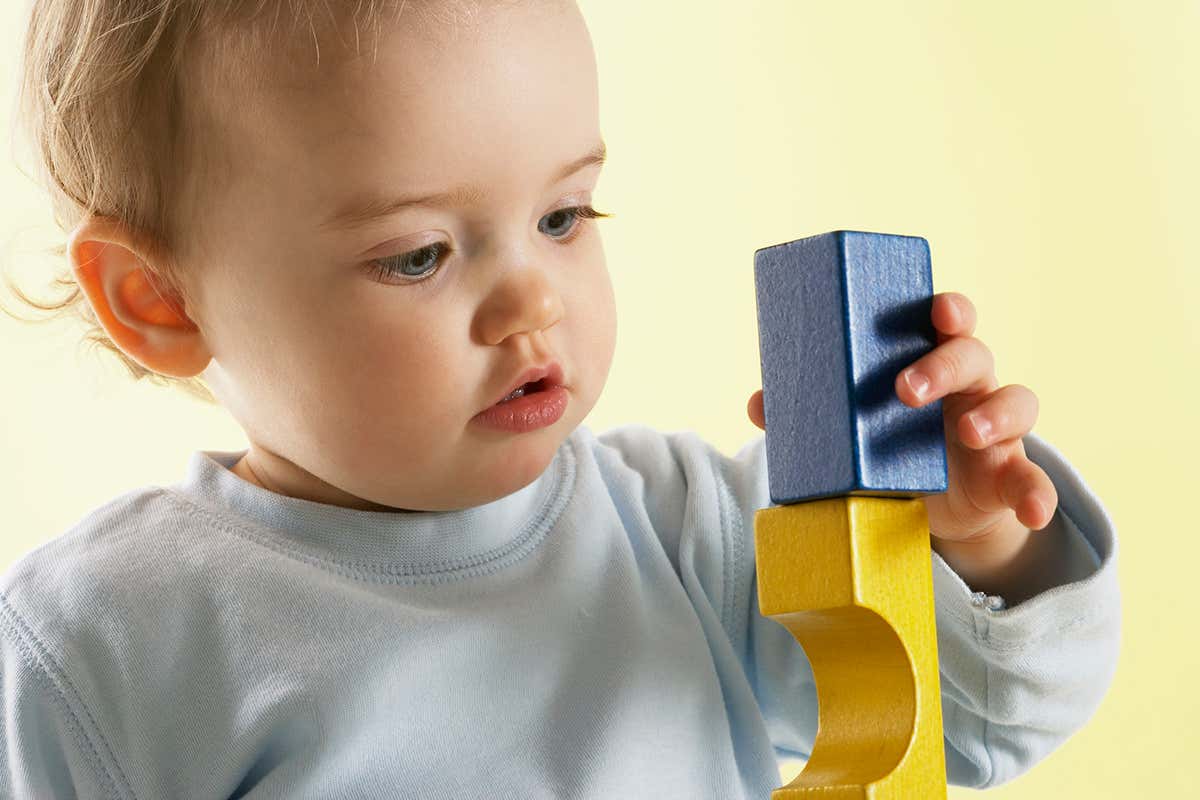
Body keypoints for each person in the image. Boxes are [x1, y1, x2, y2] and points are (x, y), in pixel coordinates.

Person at [0, 1, 1119, 797]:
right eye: (420, 255)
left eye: (565, 216)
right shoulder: (99, 640)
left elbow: (969, 728)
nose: (532, 304)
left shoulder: (693, 530)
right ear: (159, 298)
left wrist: (976, 548)